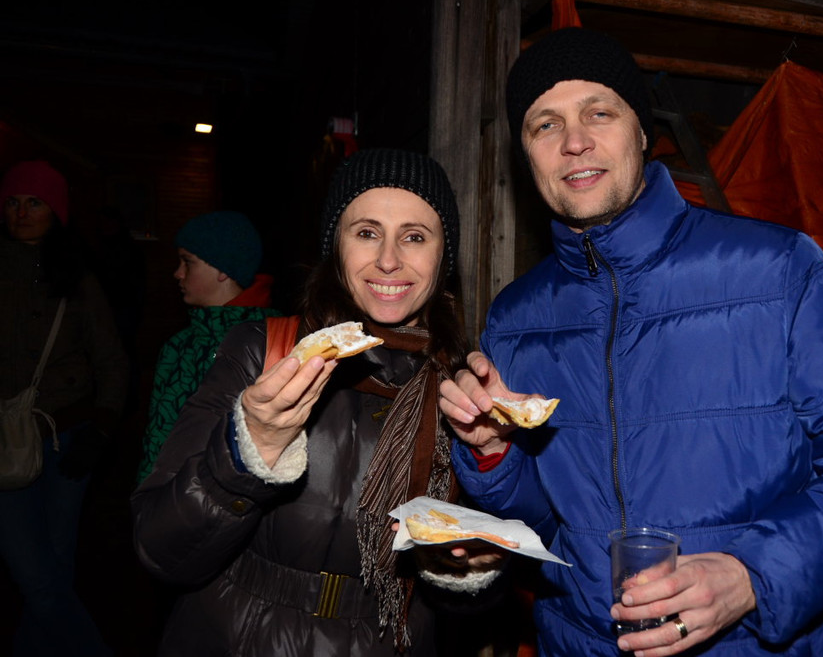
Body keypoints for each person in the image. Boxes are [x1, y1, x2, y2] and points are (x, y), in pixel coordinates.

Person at [439, 28, 823, 657]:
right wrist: (494, 457)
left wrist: (751, 575)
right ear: (526, 155)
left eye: (600, 112)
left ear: (643, 133)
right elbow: (545, 529)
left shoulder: (779, 272)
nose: (574, 141)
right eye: (545, 124)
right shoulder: (515, 319)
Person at [132, 148, 505, 657]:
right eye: (367, 232)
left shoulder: (461, 389)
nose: (389, 259)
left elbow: (466, 599)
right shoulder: (265, 353)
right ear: (336, 246)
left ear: (444, 257)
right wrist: (250, 451)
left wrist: (468, 568)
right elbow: (162, 551)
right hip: (235, 635)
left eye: (415, 237)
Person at [0, 160, 129, 656]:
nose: (21, 212)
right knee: (34, 575)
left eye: (34, 202)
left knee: (55, 565)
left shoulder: (77, 279)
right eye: (13, 202)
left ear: (55, 211)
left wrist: (102, 427)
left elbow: (111, 358)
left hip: (68, 439)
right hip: (6, 440)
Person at [136, 210, 281, 483]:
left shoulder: (271, 343)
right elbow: (157, 439)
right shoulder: (179, 345)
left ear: (223, 269)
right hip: (167, 497)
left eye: (188, 262)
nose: (178, 273)